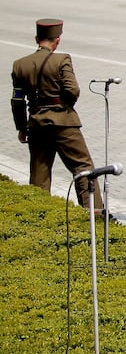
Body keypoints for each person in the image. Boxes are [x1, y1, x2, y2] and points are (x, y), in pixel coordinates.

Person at [10, 18, 101, 212]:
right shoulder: (62, 60)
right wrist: (63, 107)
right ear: (57, 40)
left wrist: (21, 127)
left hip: (36, 124)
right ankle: (94, 213)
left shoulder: (20, 65)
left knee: (39, 173)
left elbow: (17, 101)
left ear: (37, 38)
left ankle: (38, 215)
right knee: (83, 167)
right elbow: (73, 90)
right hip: (64, 123)